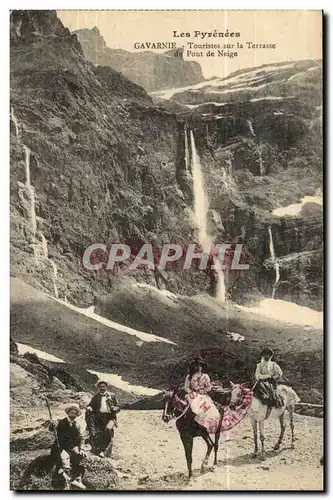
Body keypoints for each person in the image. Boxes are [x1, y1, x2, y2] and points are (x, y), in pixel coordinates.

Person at [49, 404, 86, 490]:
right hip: (60, 447)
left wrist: (82, 448)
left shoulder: (77, 425)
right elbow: (51, 429)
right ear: (68, 413)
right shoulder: (60, 422)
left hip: (71, 446)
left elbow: (81, 437)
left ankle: (78, 479)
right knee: (65, 460)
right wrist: (52, 424)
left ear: (77, 415)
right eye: (71, 413)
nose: (73, 415)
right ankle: (67, 482)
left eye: (75, 414)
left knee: (81, 456)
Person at [86, 380, 120, 458]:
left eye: (103, 386)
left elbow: (118, 406)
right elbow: (91, 405)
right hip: (99, 418)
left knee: (108, 430)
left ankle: (106, 452)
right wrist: (89, 408)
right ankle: (102, 451)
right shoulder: (96, 396)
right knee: (101, 434)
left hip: (110, 417)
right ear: (98, 388)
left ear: (106, 387)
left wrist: (115, 408)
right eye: (100, 387)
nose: (102, 388)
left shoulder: (112, 395)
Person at [184, 357, 220, 428]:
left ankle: (207, 422)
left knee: (208, 406)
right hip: (193, 394)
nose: (198, 367)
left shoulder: (205, 376)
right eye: (197, 366)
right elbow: (186, 387)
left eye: (200, 366)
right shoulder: (189, 377)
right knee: (193, 406)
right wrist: (191, 392)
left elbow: (209, 386)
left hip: (203, 394)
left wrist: (204, 390)